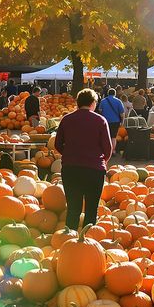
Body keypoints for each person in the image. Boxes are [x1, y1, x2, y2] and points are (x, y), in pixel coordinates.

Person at [54, 89, 113, 230]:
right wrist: (102, 161)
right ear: (93, 103)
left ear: (77, 102)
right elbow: (108, 148)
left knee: (73, 208)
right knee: (92, 209)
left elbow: (57, 144)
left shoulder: (67, 119)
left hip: (71, 168)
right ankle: (89, 240)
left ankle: (71, 238)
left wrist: (68, 154)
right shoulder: (100, 120)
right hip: (94, 169)